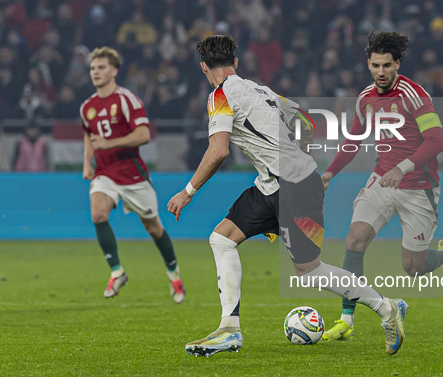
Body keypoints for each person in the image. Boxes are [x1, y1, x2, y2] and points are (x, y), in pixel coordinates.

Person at [167, 35, 409, 357]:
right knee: (222, 239)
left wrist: (188, 192)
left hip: (290, 186)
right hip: (274, 183)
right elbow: (306, 122)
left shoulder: (220, 95)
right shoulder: (262, 90)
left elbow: (218, 150)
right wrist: (303, 163)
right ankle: (229, 329)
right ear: (236, 63)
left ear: (203, 67)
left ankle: (387, 308)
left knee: (310, 271)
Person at [320, 31, 443, 341]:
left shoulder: (414, 96)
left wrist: (403, 166)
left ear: (398, 63)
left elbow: (436, 141)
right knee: (354, 239)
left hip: (418, 187)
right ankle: (346, 319)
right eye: (375, 66)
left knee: (413, 266)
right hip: (382, 179)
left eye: (386, 65)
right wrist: (329, 173)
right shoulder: (365, 99)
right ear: (368, 65)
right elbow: (353, 142)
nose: (380, 72)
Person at [80, 47, 184, 303]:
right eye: (93, 68)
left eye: (101, 67)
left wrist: (109, 143)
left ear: (114, 71)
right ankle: (117, 271)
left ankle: (174, 272)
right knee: (97, 213)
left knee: (153, 228)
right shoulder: (87, 107)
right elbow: (88, 135)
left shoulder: (127, 99)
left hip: (132, 173)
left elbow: (144, 135)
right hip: (105, 172)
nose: (96, 72)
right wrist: (87, 162)